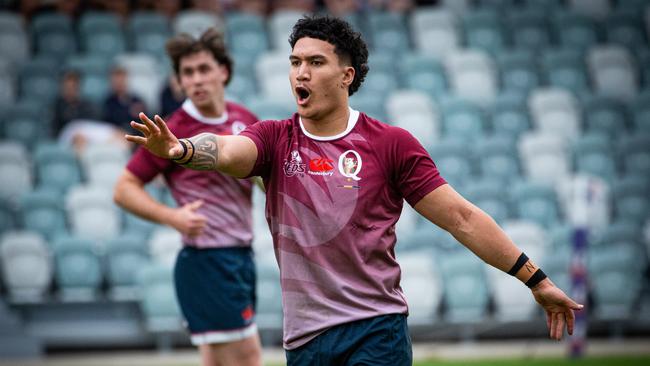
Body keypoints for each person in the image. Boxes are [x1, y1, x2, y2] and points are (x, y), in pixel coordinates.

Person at [125, 15, 583, 366]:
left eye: (315, 62)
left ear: (347, 76)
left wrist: (535, 280)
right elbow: (227, 151)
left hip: (375, 331)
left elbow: (461, 218)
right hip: (304, 340)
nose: (300, 73)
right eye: (295, 63)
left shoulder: (391, 144)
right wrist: (182, 148)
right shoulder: (273, 138)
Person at [113, 28, 262, 366]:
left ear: (223, 71)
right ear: (178, 80)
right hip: (207, 260)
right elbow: (123, 189)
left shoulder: (245, 120)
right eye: (187, 72)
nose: (196, 79)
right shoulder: (171, 130)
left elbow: (261, 178)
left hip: (240, 256)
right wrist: (172, 217)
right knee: (248, 359)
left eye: (204, 69)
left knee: (216, 359)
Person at [103, 66, 147, 131]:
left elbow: (145, 122)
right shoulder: (108, 102)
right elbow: (106, 125)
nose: (119, 84)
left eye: (121, 80)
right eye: (116, 81)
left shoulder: (137, 101)